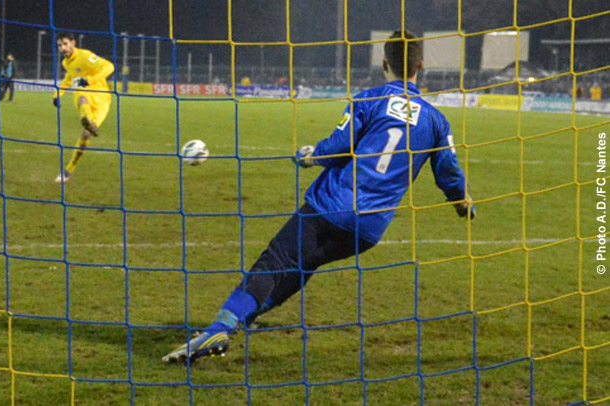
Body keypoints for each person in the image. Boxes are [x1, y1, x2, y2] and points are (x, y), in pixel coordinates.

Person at [162, 30, 475, 364]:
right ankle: (245, 317)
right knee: (305, 264)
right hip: (368, 230)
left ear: (385, 64)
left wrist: (310, 156)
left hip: (331, 206)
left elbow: (339, 147)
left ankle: (219, 328)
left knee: (275, 261)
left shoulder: (369, 100)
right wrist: (462, 202)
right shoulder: (437, 120)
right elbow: (449, 172)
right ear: (421, 66)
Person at [53, 32, 114, 183]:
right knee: (80, 92)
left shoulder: (85, 55)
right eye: (60, 45)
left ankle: (88, 123)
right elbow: (70, 79)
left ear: (73, 43)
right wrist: (57, 94)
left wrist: (90, 80)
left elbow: (109, 67)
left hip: (102, 98)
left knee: (86, 135)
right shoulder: (66, 63)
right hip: (85, 93)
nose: (63, 48)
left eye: (65, 44)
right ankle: (85, 118)